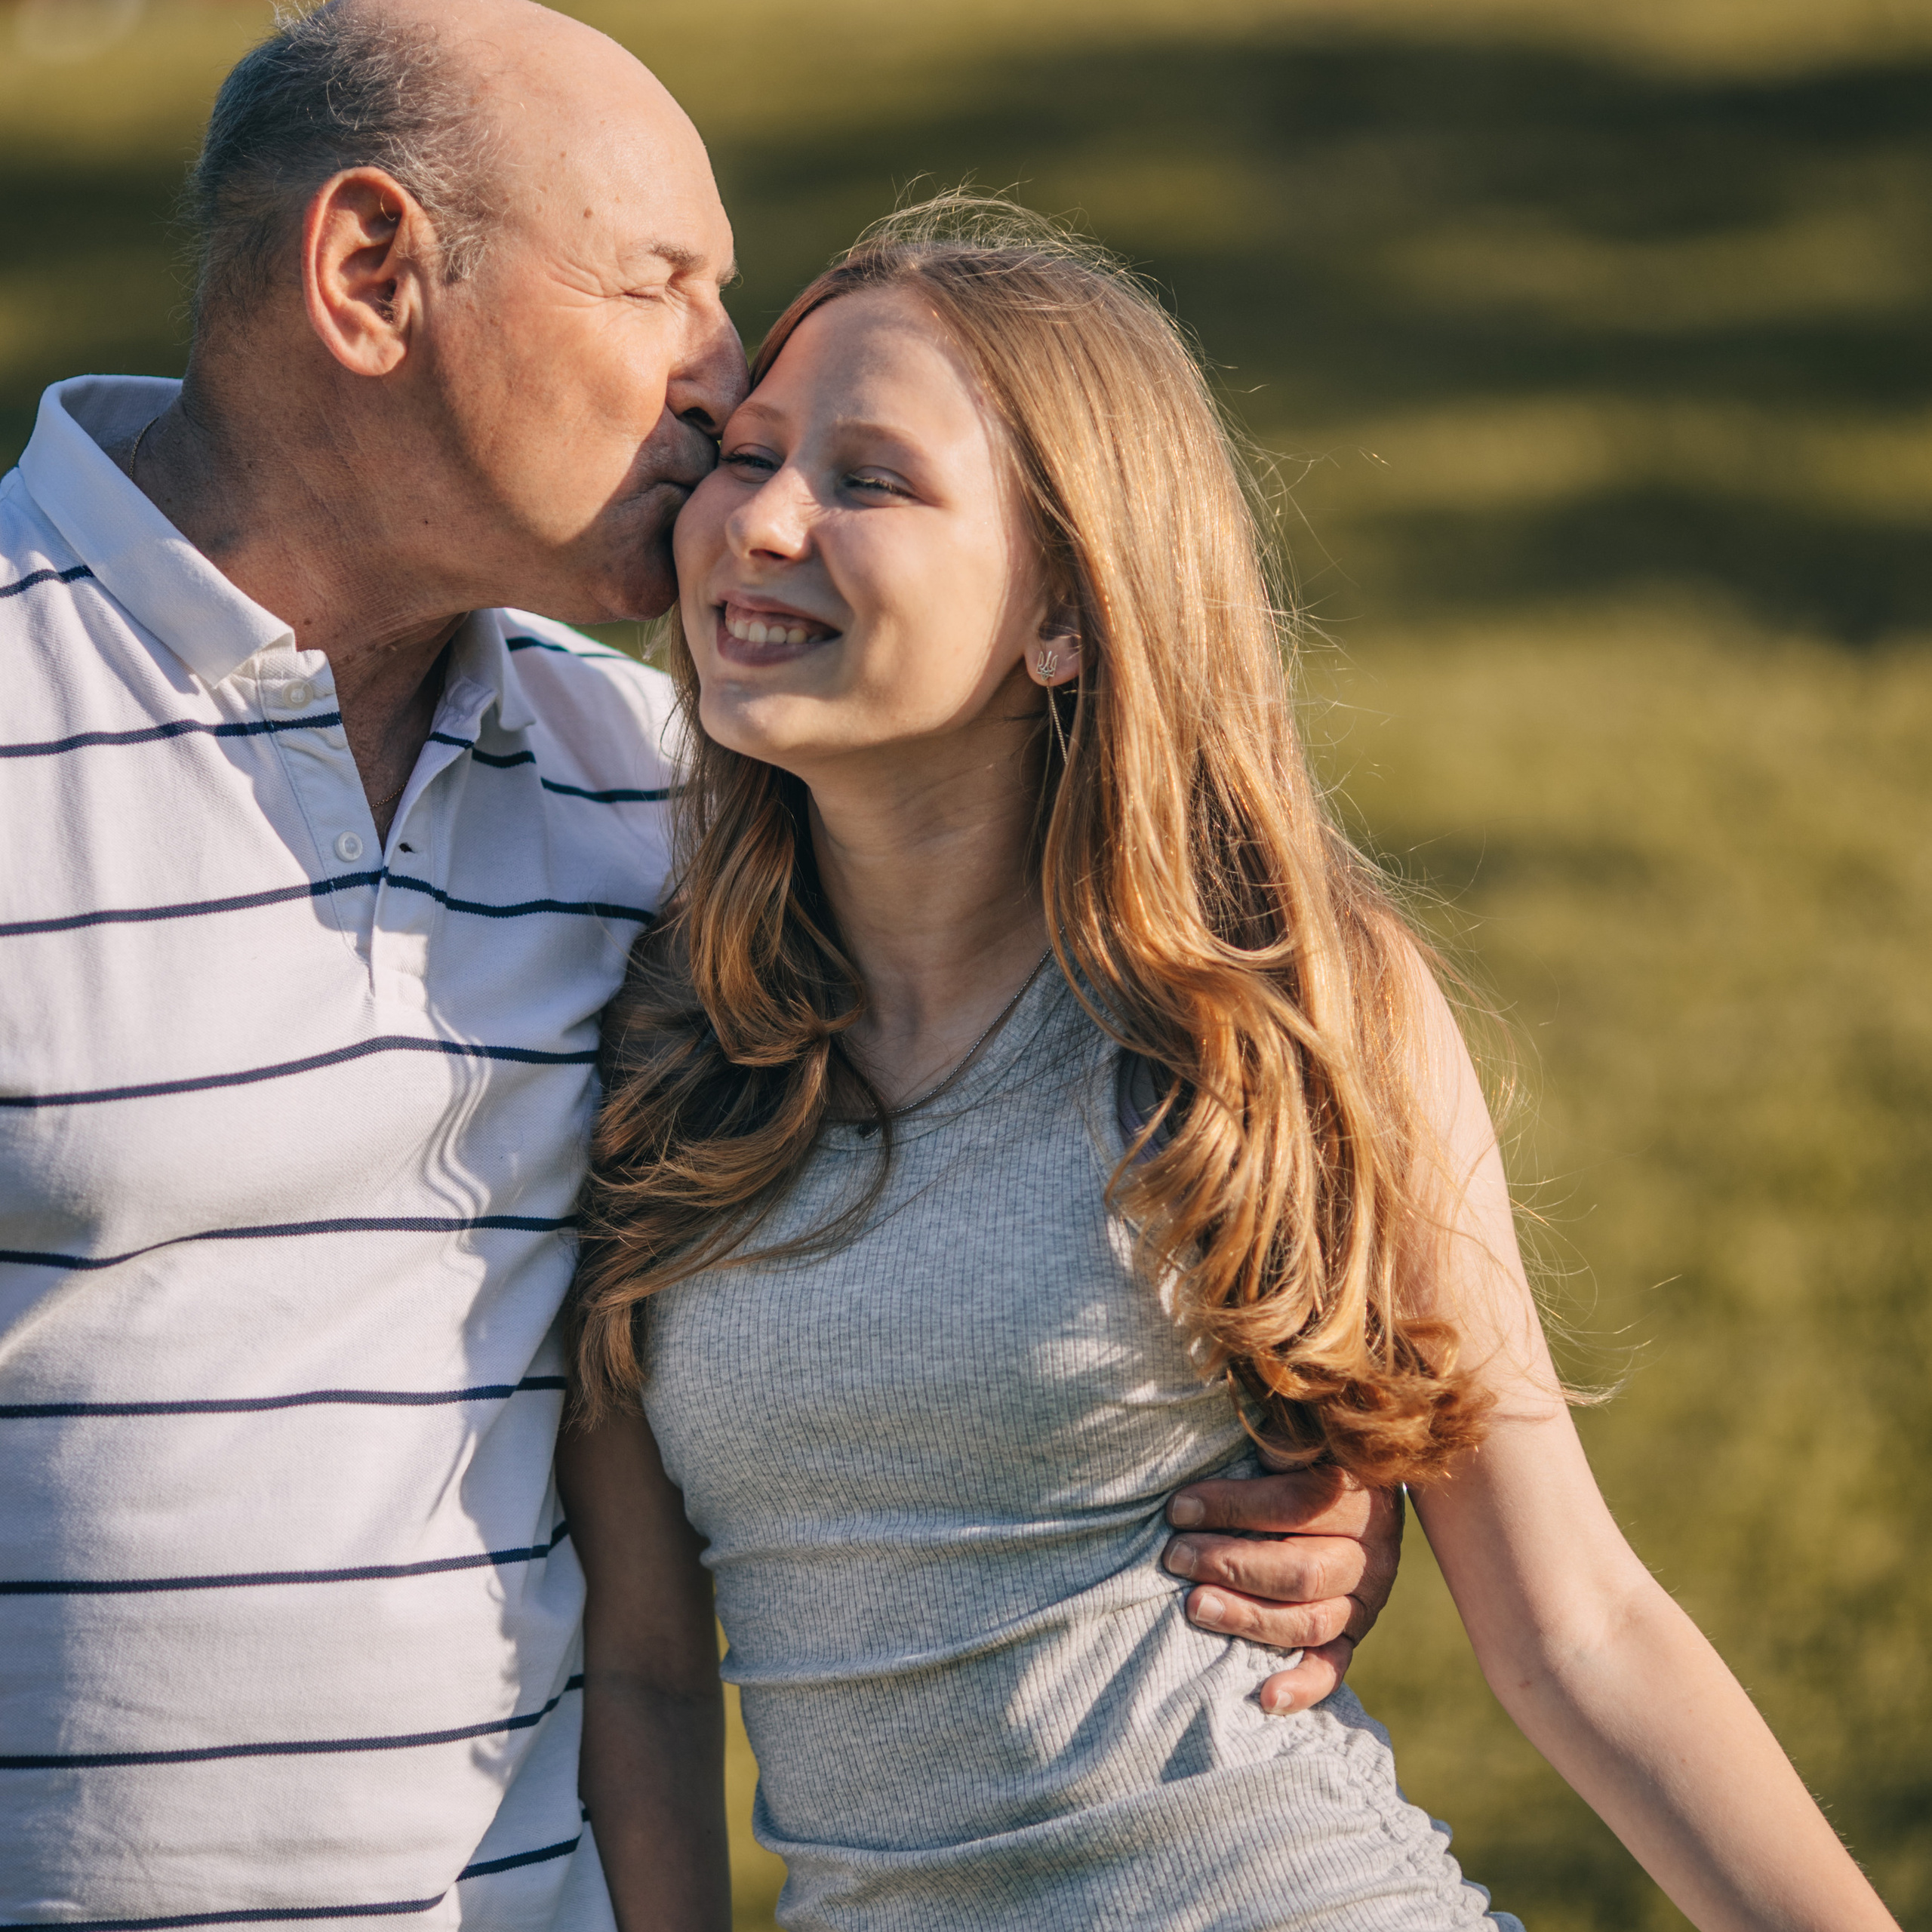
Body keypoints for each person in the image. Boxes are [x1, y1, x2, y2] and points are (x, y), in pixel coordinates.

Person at [0, 4, 1391, 1924]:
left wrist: (1297, 1468)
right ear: (371, 274)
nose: (722, 380)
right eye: (658, 282)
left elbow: (1025, 1145)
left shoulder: (667, 793)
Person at [562, 200, 1902, 1932]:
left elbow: (1575, 1627)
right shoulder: (662, 1048)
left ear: (1065, 613)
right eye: (747, 453)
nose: (763, 518)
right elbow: (645, 1679)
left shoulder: (1269, 1005)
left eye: (873, 478)